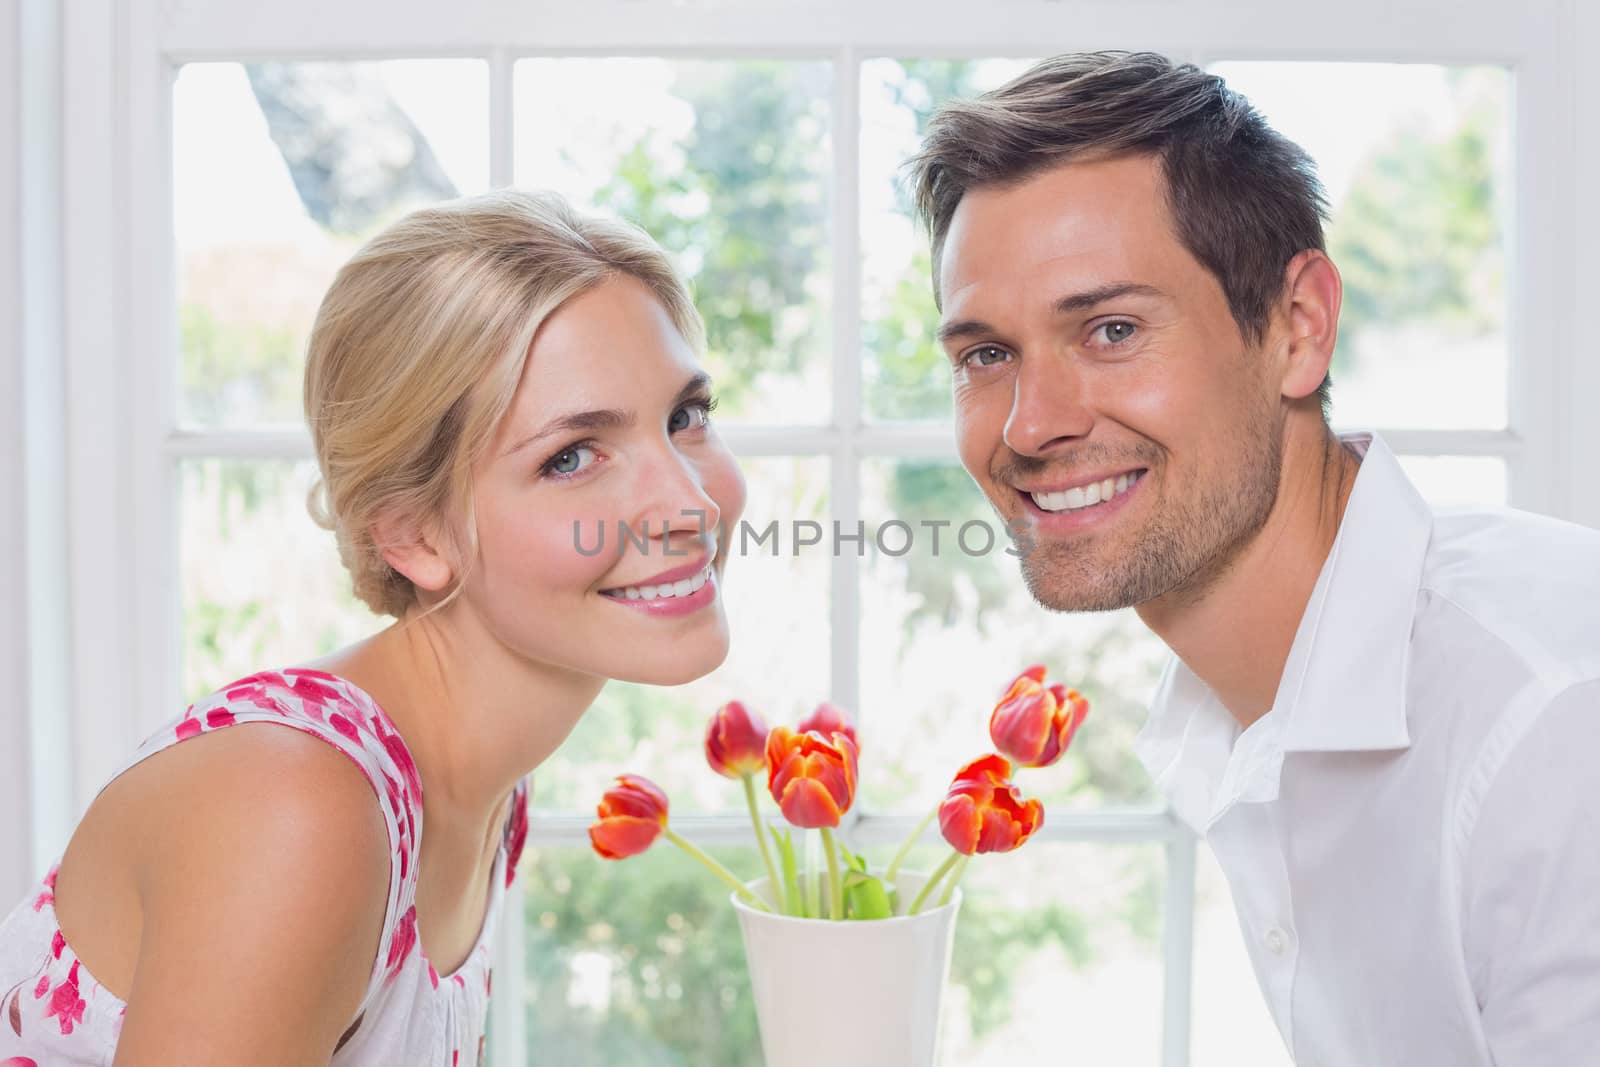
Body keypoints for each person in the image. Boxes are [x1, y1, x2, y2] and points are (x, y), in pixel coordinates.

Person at [906, 51, 1600, 1065]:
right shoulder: (1242, 708)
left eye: (1109, 328)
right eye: (985, 355)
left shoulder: (1551, 723)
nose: (1029, 424)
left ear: (1297, 327)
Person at [0, 189, 746, 1064]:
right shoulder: (299, 808)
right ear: (413, 535)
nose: (688, 506)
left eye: (685, 417)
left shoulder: (483, 792)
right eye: (570, 456)